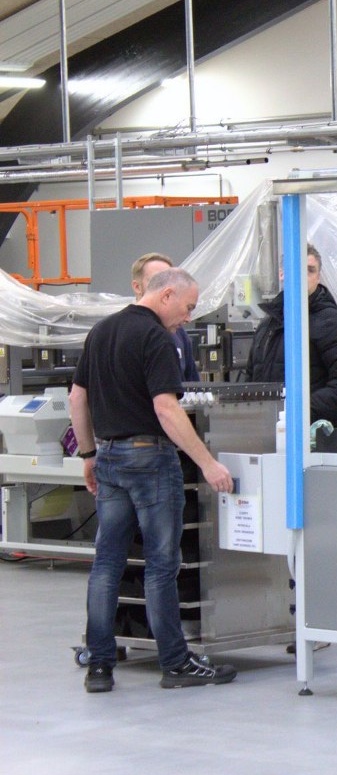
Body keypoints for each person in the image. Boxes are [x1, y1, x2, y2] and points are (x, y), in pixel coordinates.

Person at [69, 267, 237, 693]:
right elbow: (166, 409)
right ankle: (175, 663)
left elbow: (77, 397)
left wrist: (88, 455)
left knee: (107, 563)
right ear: (166, 296)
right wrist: (207, 463)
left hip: (109, 458)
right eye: (188, 307)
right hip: (150, 460)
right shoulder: (157, 339)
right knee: (162, 565)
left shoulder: (101, 332)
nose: (188, 317)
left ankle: (100, 666)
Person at [245, 244, 337, 427]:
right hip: (266, 431)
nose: (303, 276)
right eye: (296, 268)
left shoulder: (331, 322)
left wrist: (300, 412)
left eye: (310, 270)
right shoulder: (267, 325)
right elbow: (251, 378)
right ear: (282, 274)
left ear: (318, 277)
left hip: (312, 434)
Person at [131, 253, 201, 382]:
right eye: (156, 280)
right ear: (137, 287)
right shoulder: (122, 332)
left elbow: (192, 384)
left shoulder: (178, 334)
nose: (164, 286)